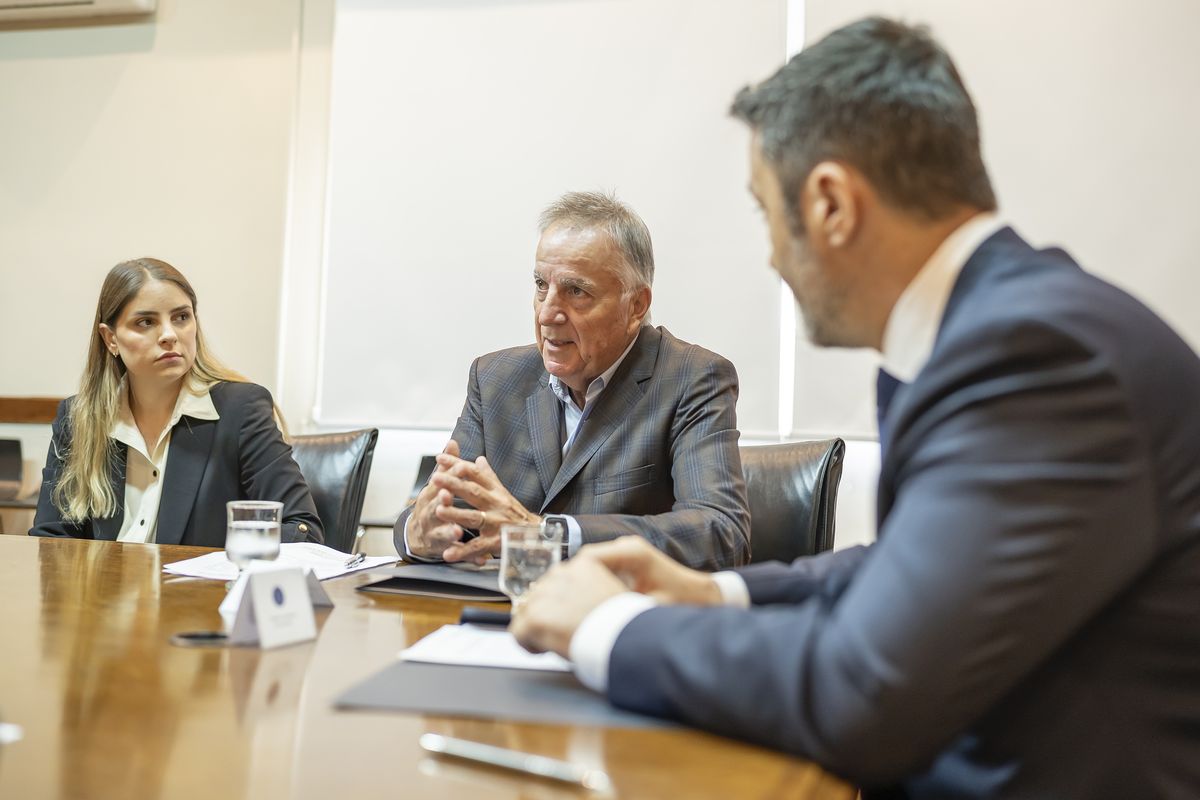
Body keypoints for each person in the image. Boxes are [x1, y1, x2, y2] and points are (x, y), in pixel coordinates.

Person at [511, 18, 1200, 798]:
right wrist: (717, 591)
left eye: (765, 212)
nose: (771, 252)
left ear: (833, 204)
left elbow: (864, 693)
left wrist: (609, 627)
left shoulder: (1037, 358)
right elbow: (911, 567)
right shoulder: (1003, 329)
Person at [395, 191, 750, 570]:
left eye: (575, 291)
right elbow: (436, 512)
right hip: (497, 616)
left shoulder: (693, 379)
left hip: (622, 618)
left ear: (636, 306)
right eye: (540, 285)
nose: (548, 313)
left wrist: (546, 533)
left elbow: (720, 534)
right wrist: (418, 534)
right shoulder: (496, 379)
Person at [31, 258, 322, 546]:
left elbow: (300, 529)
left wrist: (220, 562)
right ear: (111, 339)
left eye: (181, 317)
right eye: (146, 322)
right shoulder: (78, 418)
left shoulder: (241, 410)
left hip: (200, 591)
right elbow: (51, 542)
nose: (169, 335)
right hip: (101, 592)